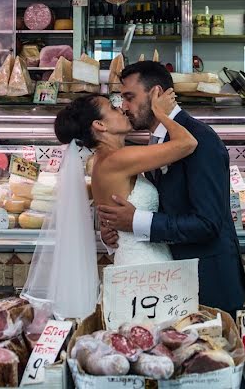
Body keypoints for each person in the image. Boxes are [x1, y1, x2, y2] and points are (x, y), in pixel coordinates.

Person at [21, 84, 195, 318]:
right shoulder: (116, 160)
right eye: (113, 108)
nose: (122, 108)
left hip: (139, 264)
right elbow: (187, 143)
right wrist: (161, 112)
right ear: (99, 125)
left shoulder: (104, 161)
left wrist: (108, 234)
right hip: (142, 269)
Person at [98, 61, 245, 316]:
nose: (124, 106)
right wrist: (116, 231)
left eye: (130, 97)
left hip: (209, 285)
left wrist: (136, 222)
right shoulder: (158, 139)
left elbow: (208, 223)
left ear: (156, 94)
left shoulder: (199, 140)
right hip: (170, 284)